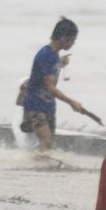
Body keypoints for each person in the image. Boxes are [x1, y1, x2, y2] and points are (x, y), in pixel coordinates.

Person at [21, 17, 85, 152]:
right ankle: (39, 167)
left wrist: (60, 64)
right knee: (45, 139)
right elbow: (50, 87)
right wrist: (71, 102)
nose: (73, 42)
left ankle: (37, 162)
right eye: (72, 39)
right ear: (62, 38)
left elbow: (47, 72)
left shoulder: (54, 55)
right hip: (35, 104)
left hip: (47, 105)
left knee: (48, 142)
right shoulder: (46, 55)